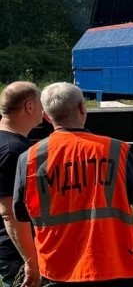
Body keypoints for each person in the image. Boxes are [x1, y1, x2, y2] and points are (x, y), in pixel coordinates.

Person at [13, 83, 133, 286]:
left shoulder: (29, 159)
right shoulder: (116, 150)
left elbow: (21, 213)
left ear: (46, 116)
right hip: (115, 263)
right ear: (82, 108)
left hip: (59, 268)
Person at [0, 82, 43, 287]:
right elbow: (10, 213)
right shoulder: (13, 151)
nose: (44, 108)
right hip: (18, 252)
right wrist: (31, 261)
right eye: (41, 103)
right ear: (29, 106)